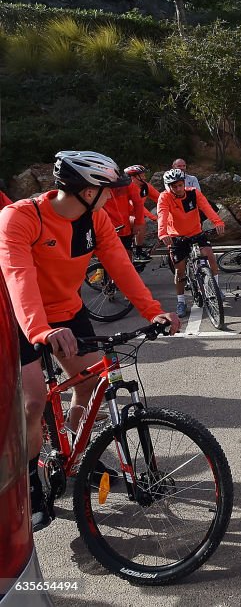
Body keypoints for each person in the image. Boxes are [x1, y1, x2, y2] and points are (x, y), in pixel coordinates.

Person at [0, 151, 179, 531]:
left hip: (68, 310)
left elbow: (121, 266)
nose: (116, 195)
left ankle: (73, 448)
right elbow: (18, 279)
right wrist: (40, 331)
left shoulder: (95, 219)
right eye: (108, 190)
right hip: (21, 316)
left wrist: (152, 311)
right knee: (32, 401)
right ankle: (31, 484)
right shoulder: (19, 217)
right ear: (85, 191)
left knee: (92, 383)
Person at [157, 168, 225, 318]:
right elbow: (162, 215)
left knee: (210, 257)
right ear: (169, 187)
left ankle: (216, 288)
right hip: (176, 235)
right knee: (180, 271)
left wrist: (217, 221)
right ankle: (181, 301)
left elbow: (207, 208)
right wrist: (162, 233)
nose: (178, 189)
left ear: (184, 183)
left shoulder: (194, 193)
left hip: (195, 232)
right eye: (174, 186)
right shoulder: (165, 197)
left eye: (180, 185)